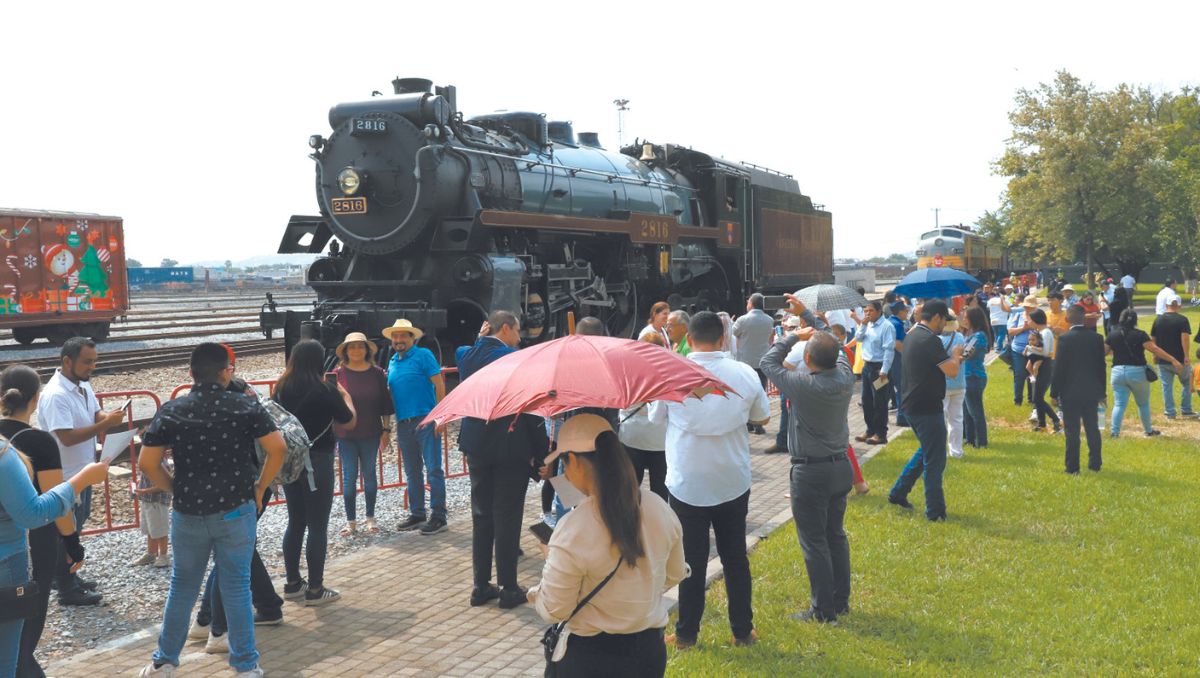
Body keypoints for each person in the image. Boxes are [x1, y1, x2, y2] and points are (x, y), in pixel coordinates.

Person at [137, 343, 287, 678]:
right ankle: (246, 665)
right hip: (236, 509)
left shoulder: (173, 410)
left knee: (182, 587)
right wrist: (261, 487)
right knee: (236, 587)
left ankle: (164, 662)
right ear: (225, 372)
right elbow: (278, 448)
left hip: (188, 513)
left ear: (191, 373)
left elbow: (147, 461)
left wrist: (175, 488)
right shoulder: (244, 406)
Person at [529, 415, 686, 676]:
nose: (564, 472)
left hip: (590, 658)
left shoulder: (572, 529)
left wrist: (547, 570)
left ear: (576, 462)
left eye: (564, 462)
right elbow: (675, 573)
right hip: (648, 653)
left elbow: (555, 608)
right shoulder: (658, 506)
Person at [649, 311, 770, 649]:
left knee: (691, 562)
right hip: (732, 479)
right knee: (735, 557)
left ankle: (687, 635)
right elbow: (762, 415)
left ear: (688, 336)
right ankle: (743, 631)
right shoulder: (744, 372)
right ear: (721, 338)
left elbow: (656, 419)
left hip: (687, 482)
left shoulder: (671, 374)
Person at [760, 303, 855, 624]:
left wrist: (791, 336)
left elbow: (766, 361)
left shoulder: (803, 385)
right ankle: (841, 601)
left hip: (810, 471)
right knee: (835, 535)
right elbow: (835, 343)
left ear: (809, 360)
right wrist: (812, 322)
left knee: (814, 542)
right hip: (841, 466)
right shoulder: (844, 376)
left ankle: (823, 611)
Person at [458, 310, 550, 610]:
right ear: (506, 328)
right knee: (507, 517)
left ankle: (481, 585)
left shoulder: (467, 356)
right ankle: (509, 587)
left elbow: (472, 354)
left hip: (477, 444)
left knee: (481, 515)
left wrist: (479, 339)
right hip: (511, 446)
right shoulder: (517, 359)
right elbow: (531, 409)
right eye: (517, 330)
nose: (520, 336)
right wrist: (541, 455)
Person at [0, 417, 106, 676]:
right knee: (5, 664)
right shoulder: (3, 455)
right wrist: (79, 481)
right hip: (5, 567)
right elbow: (32, 514)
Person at [1, 365, 87, 678]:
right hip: (31, 545)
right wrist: (72, 543)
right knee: (24, 631)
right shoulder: (39, 443)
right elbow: (55, 504)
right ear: (36, 398)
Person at [36, 337, 125, 606]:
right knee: (66, 533)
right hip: (64, 478)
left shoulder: (82, 384)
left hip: (81, 472)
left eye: (94, 361)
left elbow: (95, 412)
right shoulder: (56, 395)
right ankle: (66, 588)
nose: (92, 367)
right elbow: (67, 437)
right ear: (67, 361)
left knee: (75, 528)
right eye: (87, 362)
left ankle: (65, 577)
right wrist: (104, 425)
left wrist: (106, 417)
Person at [275, 339, 356, 607]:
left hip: (289, 461)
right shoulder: (326, 390)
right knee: (317, 525)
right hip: (318, 461)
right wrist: (345, 396)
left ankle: (292, 584)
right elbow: (349, 420)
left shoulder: (281, 388)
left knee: (295, 521)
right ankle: (316, 589)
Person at [887, 301, 963, 522]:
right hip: (927, 408)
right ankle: (935, 512)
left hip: (911, 405)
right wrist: (957, 354)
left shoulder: (912, 334)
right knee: (935, 461)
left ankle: (898, 492)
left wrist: (951, 357)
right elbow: (951, 371)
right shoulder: (930, 340)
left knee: (926, 452)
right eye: (945, 321)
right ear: (937, 317)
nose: (945, 326)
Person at [382, 320, 448, 535]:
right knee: (412, 472)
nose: (399, 340)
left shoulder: (424, 355)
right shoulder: (392, 361)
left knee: (434, 469)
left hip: (426, 420)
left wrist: (441, 417)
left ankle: (439, 516)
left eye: (403, 336)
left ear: (412, 338)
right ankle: (417, 513)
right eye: (395, 337)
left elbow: (439, 385)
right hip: (404, 424)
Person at [329, 332, 392, 536]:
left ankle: (370, 517)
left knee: (370, 475)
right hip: (345, 434)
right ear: (346, 351)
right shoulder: (337, 374)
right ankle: (351, 521)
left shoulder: (377, 373)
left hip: (371, 432)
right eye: (352, 346)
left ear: (367, 349)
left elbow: (385, 404)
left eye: (360, 346)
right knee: (349, 477)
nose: (356, 350)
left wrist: (386, 429)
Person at [1106, 309, 1181, 438]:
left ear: (1120, 319)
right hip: (1137, 372)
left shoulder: (1113, 334)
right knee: (1143, 403)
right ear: (1135, 320)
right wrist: (1173, 359)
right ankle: (1148, 430)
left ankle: (1115, 432)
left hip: (1117, 372)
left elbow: (1103, 352)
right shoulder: (1140, 335)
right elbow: (1154, 349)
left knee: (1119, 404)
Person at [1050, 306, 1107, 473]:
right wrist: (1102, 392)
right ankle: (1095, 463)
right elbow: (1101, 366)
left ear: (1067, 319)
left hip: (1070, 391)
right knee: (1092, 428)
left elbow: (1059, 367)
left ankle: (1072, 466)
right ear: (1085, 318)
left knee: (1072, 430)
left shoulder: (1065, 339)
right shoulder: (1097, 338)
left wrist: (1054, 392)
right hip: (1092, 390)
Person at [619, 337, 669, 501]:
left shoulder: (628, 371)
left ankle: (631, 521)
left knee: (630, 488)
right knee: (660, 488)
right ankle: (659, 522)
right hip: (659, 439)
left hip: (631, 436)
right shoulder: (667, 372)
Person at [853, 301, 895, 446]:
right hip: (867, 367)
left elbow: (889, 350)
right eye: (865, 311)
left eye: (870, 311)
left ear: (879, 311)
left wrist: (884, 370)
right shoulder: (867, 325)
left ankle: (881, 433)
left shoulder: (887, 326)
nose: (867, 314)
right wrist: (863, 324)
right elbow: (858, 339)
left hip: (880, 369)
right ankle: (870, 430)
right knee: (866, 401)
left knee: (880, 402)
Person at [733, 293, 774, 435]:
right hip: (762, 361)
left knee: (745, 393)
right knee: (761, 392)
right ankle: (758, 424)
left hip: (745, 361)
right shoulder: (769, 320)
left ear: (751, 304)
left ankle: (748, 423)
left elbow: (734, 333)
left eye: (748, 301)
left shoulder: (742, 320)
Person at [1150, 295, 1196, 419]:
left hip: (1163, 359)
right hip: (1180, 359)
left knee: (1166, 386)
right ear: (1179, 306)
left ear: (1166, 305)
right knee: (1187, 383)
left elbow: (1153, 339)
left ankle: (1170, 412)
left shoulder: (1158, 320)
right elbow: (1184, 338)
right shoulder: (1182, 320)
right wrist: (1186, 356)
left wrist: (1154, 354)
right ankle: (1186, 410)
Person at [130, 451, 172, 568]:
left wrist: (144, 491)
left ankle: (163, 556)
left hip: (157, 502)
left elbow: (164, 485)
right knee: (150, 529)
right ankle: (151, 553)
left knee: (160, 530)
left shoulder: (161, 464)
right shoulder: (151, 462)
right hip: (147, 500)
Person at [960, 307, 992, 450]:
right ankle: (970, 439)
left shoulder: (978, 336)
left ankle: (982, 442)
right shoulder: (970, 334)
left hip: (973, 376)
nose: (964, 320)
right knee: (967, 411)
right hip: (967, 376)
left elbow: (966, 354)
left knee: (975, 411)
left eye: (966, 317)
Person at [1024, 310, 1061, 434]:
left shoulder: (1045, 333)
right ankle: (1042, 425)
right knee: (1037, 398)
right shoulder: (1041, 332)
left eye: (1029, 319)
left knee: (1038, 398)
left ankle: (1056, 421)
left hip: (1045, 365)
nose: (1028, 322)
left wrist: (1029, 348)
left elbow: (1044, 352)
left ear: (1035, 320)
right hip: (1040, 365)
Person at [941, 321, 968, 457]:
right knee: (957, 418)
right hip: (959, 381)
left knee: (942, 419)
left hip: (943, 384)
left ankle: (942, 451)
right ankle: (957, 451)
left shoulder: (937, 340)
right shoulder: (959, 337)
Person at [1007, 296, 1037, 410]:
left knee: (1032, 375)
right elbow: (1010, 332)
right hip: (1017, 350)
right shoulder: (1017, 315)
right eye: (1027, 307)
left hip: (1034, 351)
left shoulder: (1038, 317)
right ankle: (1017, 400)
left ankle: (1032, 399)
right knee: (1019, 375)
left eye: (1031, 307)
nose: (1029, 309)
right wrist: (1023, 328)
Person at [887, 301, 909, 426]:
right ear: (900, 312)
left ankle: (881, 417)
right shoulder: (897, 324)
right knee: (901, 388)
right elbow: (897, 343)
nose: (907, 313)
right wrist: (907, 356)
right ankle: (902, 417)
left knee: (884, 390)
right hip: (896, 360)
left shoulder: (888, 321)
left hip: (885, 360)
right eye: (906, 310)